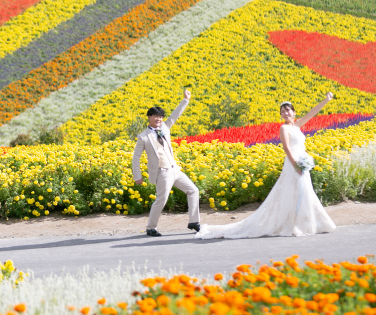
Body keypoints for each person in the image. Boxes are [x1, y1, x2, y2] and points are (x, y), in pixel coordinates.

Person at [195, 93, 337, 240]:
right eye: (283, 112)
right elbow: (287, 149)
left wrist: (326, 100)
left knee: (305, 190)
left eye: (288, 110)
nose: (286, 113)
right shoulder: (284, 128)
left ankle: (306, 223)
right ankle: (291, 223)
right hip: (293, 163)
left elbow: (313, 112)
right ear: (281, 115)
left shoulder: (298, 125)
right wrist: (295, 165)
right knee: (293, 191)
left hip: (302, 162)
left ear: (294, 112)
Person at [132, 89, 200, 237]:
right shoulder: (143, 137)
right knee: (161, 200)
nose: (159, 119)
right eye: (156, 116)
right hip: (162, 172)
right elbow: (135, 157)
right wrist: (137, 175)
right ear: (149, 117)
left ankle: (194, 221)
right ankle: (151, 227)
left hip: (175, 169)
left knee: (193, 190)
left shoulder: (165, 128)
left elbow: (176, 115)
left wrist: (186, 100)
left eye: (161, 117)